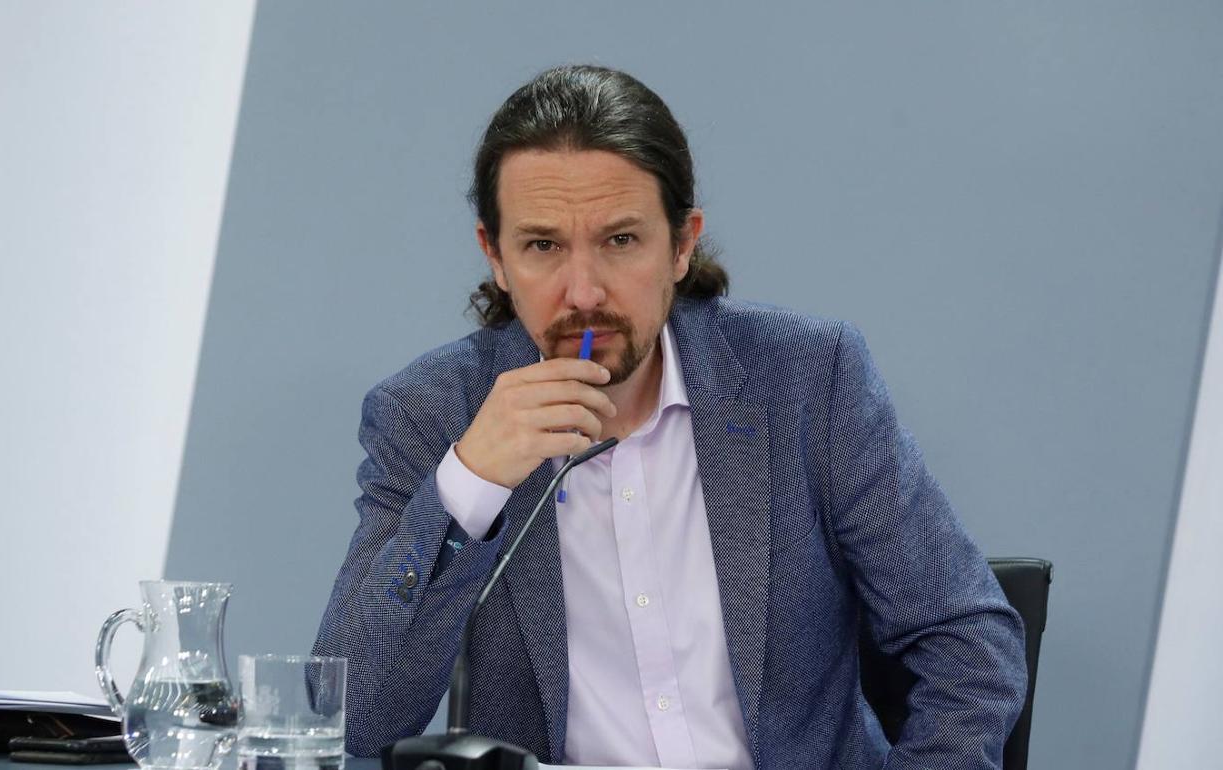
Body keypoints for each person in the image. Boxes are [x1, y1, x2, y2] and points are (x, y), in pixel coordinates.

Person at [313, 64, 1026, 769]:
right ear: (494, 256)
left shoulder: (809, 378)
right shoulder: (433, 413)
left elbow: (970, 642)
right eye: (542, 246)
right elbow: (357, 719)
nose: (583, 292)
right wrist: (471, 482)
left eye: (620, 241)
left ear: (682, 244)